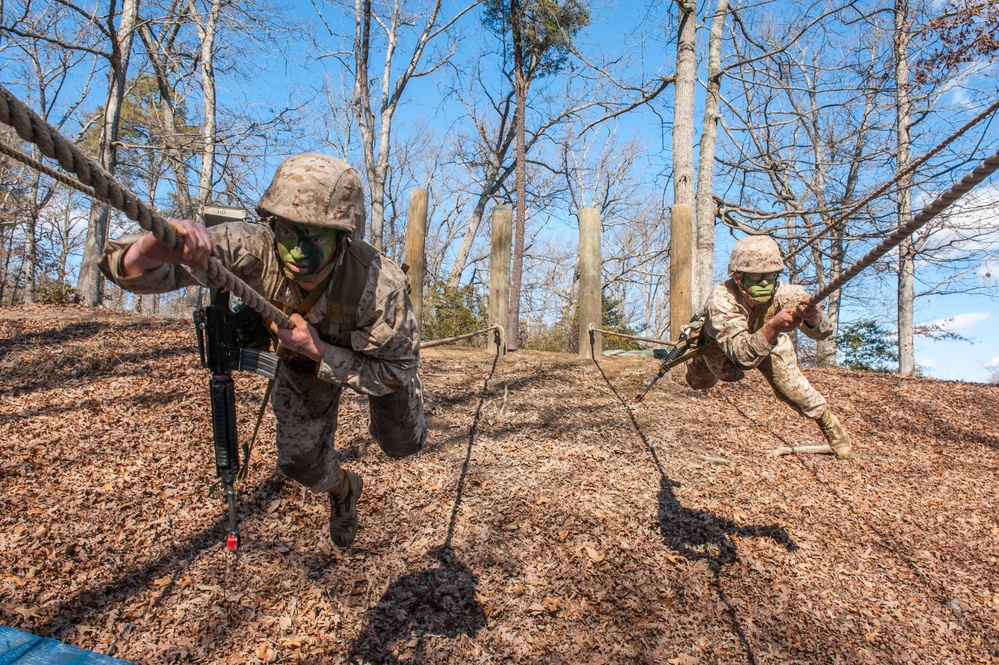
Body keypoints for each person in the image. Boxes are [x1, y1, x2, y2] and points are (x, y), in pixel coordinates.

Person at [100, 153, 427, 546]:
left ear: (343, 238)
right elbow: (126, 266)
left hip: (376, 360)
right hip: (302, 360)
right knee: (300, 464)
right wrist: (161, 242)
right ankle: (344, 489)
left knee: (401, 444)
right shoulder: (253, 247)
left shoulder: (381, 287)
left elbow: (396, 370)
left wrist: (320, 350)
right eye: (286, 232)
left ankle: (394, 422)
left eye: (313, 238)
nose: (294, 251)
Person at [685, 235, 852, 459]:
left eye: (771, 275)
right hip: (721, 348)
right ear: (737, 277)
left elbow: (823, 333)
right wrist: (773, 325)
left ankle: (832, 427)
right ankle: (695, 365)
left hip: (769, 343)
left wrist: (814, 317)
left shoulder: (786, 293)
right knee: (706, 380)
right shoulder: (721, 301)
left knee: (794, 389)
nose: (765, 282)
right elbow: (741, 357)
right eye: (756, 276)